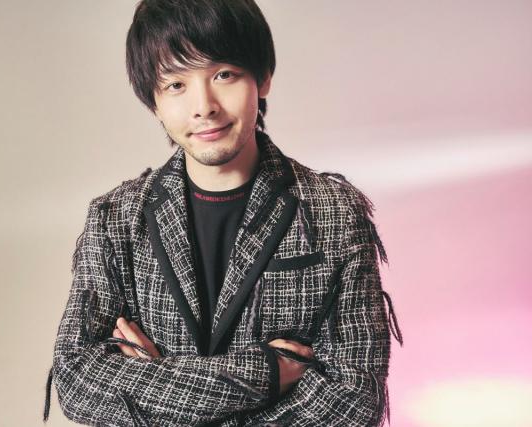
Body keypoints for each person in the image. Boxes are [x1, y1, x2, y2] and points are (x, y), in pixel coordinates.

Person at [43, 0, 403, 425]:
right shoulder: (116, 218)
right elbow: (79, 381)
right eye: (176, 84)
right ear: (153, 101)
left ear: (262, 78)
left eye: (224, 75)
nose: (204, 106)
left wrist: (162, 388)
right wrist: (265, 373)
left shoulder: (334, 212)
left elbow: (353, 399)